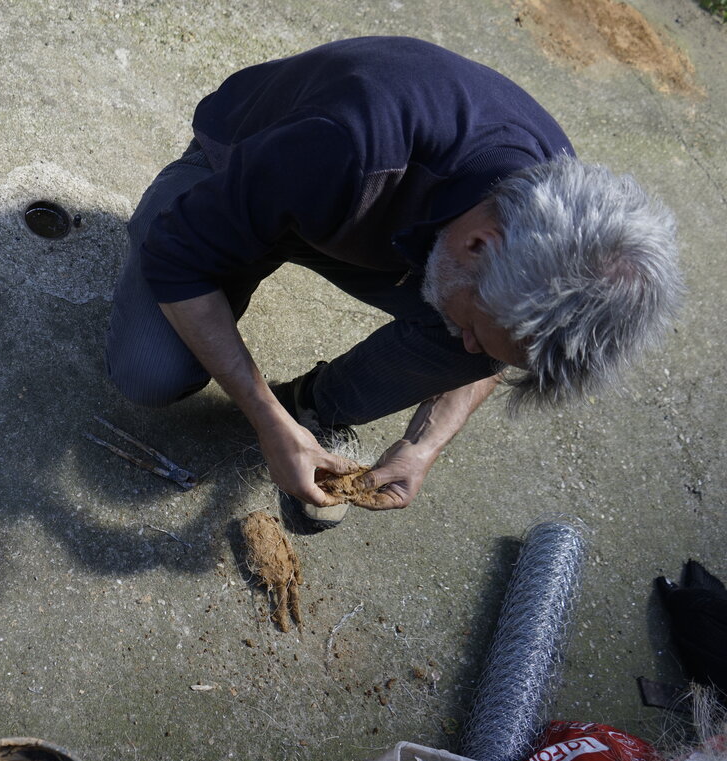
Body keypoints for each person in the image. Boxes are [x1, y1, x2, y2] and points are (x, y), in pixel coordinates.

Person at [105, 36, 682, 528]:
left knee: (474, 342)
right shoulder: (350, 143)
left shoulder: (549, 226)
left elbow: (496, 342)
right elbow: (176, 258)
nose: (475, 352)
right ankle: (286, 419)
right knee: (150, 373)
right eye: (480, 328)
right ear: (479, 245)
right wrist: (264, 420)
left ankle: (310, 406)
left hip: (366, 220)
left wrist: (423, 443)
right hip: (238, 171)